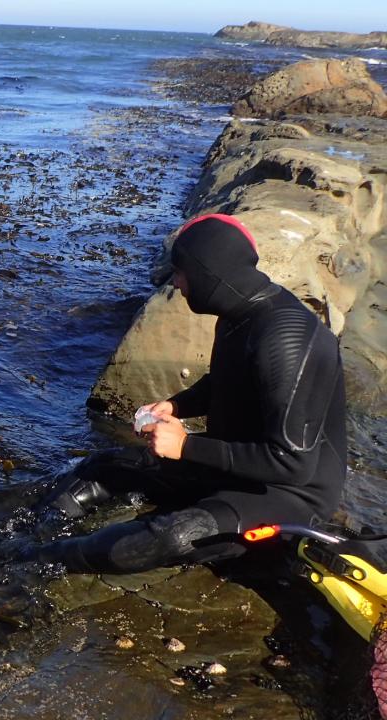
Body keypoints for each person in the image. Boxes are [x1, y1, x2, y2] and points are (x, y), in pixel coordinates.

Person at [29, 213, 347, 574]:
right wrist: (176, 405)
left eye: (181, 273)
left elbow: (293, 464)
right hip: (232, 464)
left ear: (209, 275)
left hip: (290, 496)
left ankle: (39, 562)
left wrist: (186, 447)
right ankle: (24, 542)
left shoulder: (287, 340)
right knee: (102, 467)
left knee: (169, 536)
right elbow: (227, 380)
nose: (177, 284)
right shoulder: (240, 312)